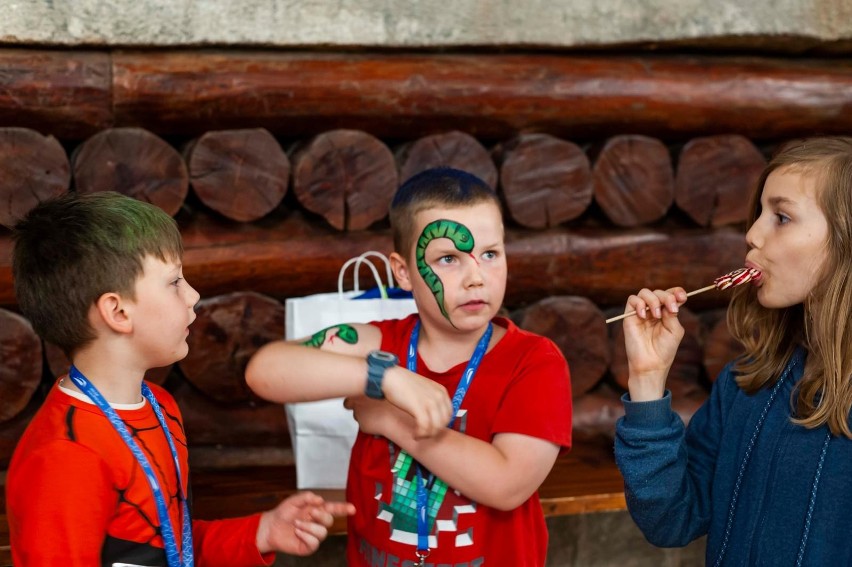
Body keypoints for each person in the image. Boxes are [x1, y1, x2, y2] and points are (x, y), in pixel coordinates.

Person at [6, 191, 354, 567]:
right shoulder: (65, 456)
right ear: (118, 311)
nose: (193, 295)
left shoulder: (159, 405)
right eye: (174, 282)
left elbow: (170, 546)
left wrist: (262, 531)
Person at [247, 167, 572, 566]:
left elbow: (506, 485)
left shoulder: (536, 362)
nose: (476, 277)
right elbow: (264, 370)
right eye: (449, 259)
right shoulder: (380, 344)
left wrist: (387, 418)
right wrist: (382, 377)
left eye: (490, 254)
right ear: (403, 272)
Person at [614, 136, 852, 566]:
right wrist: (648, 381)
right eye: (760, 213)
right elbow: (671, 520)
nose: (753, 233)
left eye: (781, 217)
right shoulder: (746, 385)